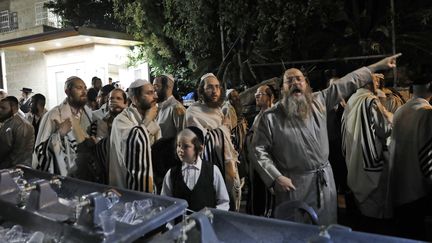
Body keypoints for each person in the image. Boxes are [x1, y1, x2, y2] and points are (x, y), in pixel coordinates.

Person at [253, 54, 401, 225]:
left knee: (325, 228)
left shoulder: (319, 101)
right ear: (282, 89)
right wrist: (276, 177)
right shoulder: (270, 117)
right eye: (290, 81)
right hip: (293, 184)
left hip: (323, 181)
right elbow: (258, 150)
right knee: (296, 231)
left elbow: (347, 81)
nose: (295, 83)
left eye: (299, 79)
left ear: (306, 84)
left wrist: (375, 67)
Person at [186, 73, 241, 211]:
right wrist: (224, 127)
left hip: (227, 164)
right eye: (210, 87)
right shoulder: (193, 112)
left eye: (217, 87)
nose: (215, 90)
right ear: (201, 90)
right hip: (207, 168)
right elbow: (203, 141)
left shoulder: (217, 109)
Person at [342, 73, 393, 220]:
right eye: (376, 81)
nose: (378, 84)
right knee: (375, 204)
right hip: (369, 159)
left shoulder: (352, 99)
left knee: (362, 206)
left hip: (354, 155)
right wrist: (390, 116)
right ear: (370, 84)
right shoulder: (371, 101)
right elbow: (384, 130)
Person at [388, 70, 432, 240]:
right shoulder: (426, 113)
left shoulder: (401, 110)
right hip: (416, 188)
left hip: (399, 183)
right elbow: (427, 153)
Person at [34, 76, 94, 177]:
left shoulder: (89, 113)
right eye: (79, 88)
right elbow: (40, 151)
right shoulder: (53, 115)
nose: (84, 91)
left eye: (85, 88)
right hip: (63, 175)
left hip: (87, 173)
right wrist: (60, 134)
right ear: (67, 91)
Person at [161, 127, 230, 211]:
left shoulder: (213, 171)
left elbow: (223, 202)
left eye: (186, 146)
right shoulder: (171, 173)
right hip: (179, 223)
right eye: (179, 145)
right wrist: (170, 224)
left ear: (200, 148)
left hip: (206, 223)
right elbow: (166, 202)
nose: (180, 150)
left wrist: (213, 217)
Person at [109, 79, 160, 192]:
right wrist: (147, 120)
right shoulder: (121, 120)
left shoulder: (151, 117)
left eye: (154, 92)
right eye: (149, 93)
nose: (155, 96)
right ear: (135, 99)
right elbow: (134, 146)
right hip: (127, 184)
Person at [245, 84, 276, 216]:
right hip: (254, 164)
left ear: (271, 97)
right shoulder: (259, 115)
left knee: (265, 196)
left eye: (261, 94)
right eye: (256, 93)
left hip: (266, 164)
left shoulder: (273, 116)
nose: (256, 96)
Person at [0, 96, 35, 168]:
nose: (0, 110)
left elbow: (4, 149)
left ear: (13, 109)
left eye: (3, 108)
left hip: (13, 168)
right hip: (22, 167)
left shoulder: (15, 124)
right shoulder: (13, 122)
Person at [153, 74, 186, 139]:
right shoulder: (155, 107)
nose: (154, 89)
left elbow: (182, 135)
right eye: (153, 86)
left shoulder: (176, 108)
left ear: (168, 87)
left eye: (157, 86)